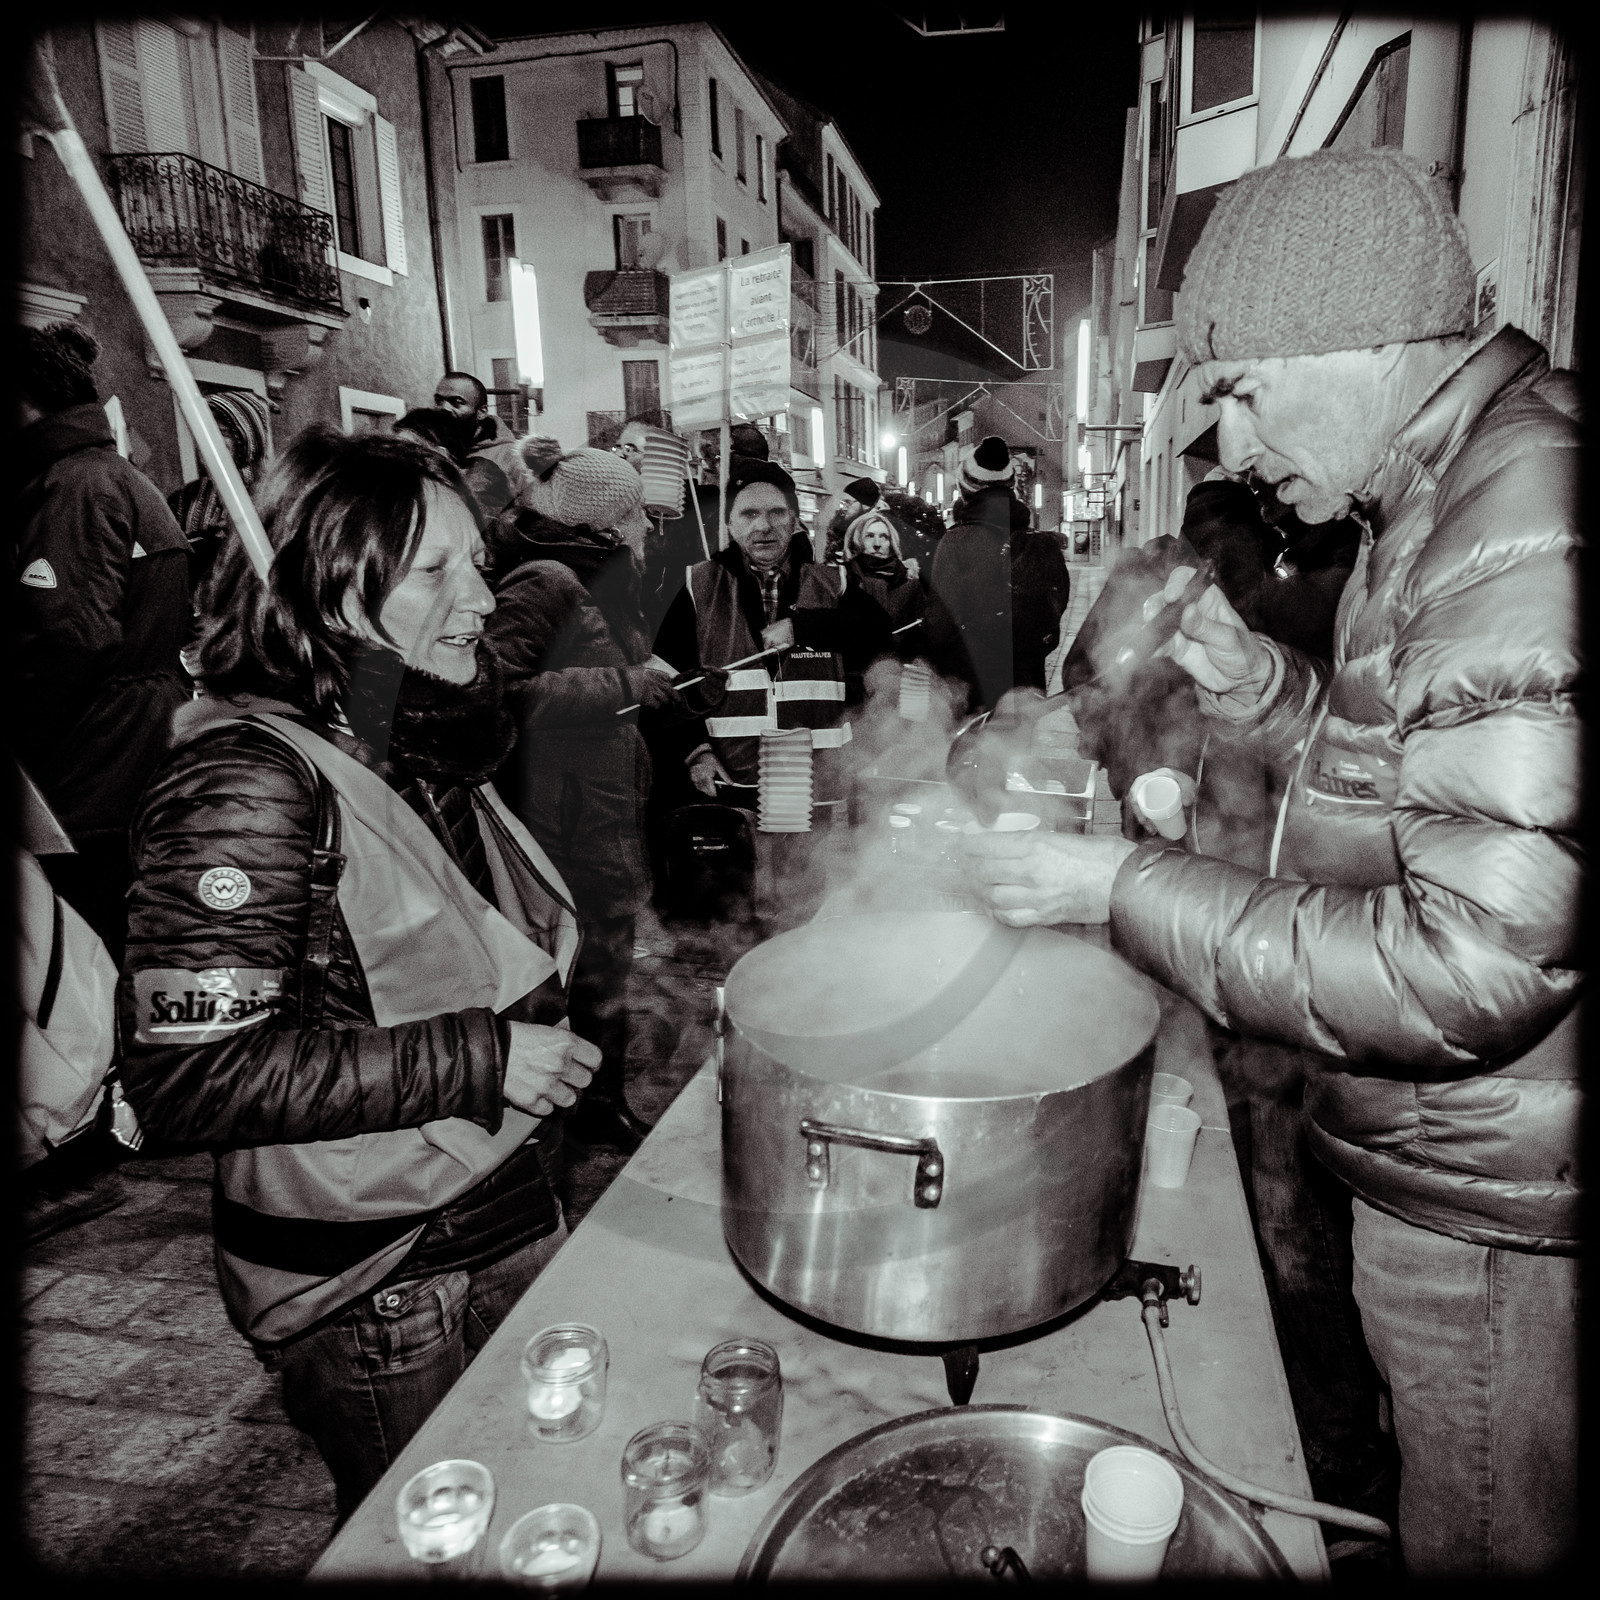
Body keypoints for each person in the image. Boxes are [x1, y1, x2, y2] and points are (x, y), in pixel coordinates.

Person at [961, 147, 1581, 1577]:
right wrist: (1271, 700)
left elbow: (1477, 964)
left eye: (1238, 389)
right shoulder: (1443, 491)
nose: (1227, 450)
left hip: (1493, 1206)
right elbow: (1430, 792)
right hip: (1452, 1163)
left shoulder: (1519, 501)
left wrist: (1116, 885)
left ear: (1354, 333)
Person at [116, 428, 600, 1520]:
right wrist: (481, 1056)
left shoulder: (414, 730)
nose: (480, 597)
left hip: (505, 1208)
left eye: (476, 560)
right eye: (435, 570)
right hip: (380, 1277)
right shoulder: (245, 785)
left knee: (548, 1502)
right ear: (330, 586)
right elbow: (187, 1079)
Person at [1066, 475, 1385, 1526]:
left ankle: (1330, 1458)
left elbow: (1344, 773)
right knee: (1273, 1195)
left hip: (1293, 945)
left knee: (1292, 1211)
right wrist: (1136, 777)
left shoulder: (1320, 604)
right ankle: (1323, 1433)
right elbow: (1090, 686)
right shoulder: (1169, 584)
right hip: (1234, 932)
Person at [486, 519, 695, 1155]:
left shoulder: (596, 585)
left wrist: (679, 694)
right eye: (638, 512)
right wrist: (628, 685)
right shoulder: (545, 581)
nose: (650, 527)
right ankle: (558, 1122)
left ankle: (599, 1106)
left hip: (603, 818)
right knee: (578, 978)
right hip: (559, 829)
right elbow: (499, 690)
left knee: (609, 973)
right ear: (608, 516)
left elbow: (611, 695)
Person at [13, 322, 192, 965]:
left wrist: (23, 738)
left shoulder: (77, 484)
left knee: (95, 955)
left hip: (97, 764)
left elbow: (70, 637)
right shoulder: (98, 474)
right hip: (126, 748)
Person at [653, 460, 849, 808]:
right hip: (732, 790)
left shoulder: (835, 584)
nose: (764, 526)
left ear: (794, 519)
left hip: (821, 791)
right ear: (729, 523)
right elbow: (667, 685)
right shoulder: (696, 586)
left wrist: (805, 627)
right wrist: (696, 752)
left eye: (777, 512)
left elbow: (878, 643)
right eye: (748, 514)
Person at [923, 435, 1070, 715]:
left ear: (966, 488)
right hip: (1025, 691)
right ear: (1011, 486)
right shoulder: (1041, 544)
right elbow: (1051, 622)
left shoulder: (956, 542)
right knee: (1013, 758)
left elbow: (938, 627)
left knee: (966, 756)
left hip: (967, 690)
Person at [642, 422, 771, 636]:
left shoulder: (719, 513)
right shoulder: (776, 509)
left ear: (726, 460)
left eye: (709, 460)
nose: (706, 469)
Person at [167, 388, 273, 593]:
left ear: (248, 438)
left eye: (223, 433)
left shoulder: (273, 496)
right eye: (205, 430)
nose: (208, 441)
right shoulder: (185, 499)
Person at [833, 509, 927, 705]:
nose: (877, 543)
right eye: (869, 536)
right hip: (850, 687)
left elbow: (920, 645)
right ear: (856, 540)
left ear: (892, 543)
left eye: (883, 537)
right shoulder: (841, 581)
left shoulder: (910, 585)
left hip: (897, 686)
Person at [432, 369, 521, 517]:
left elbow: (531, 520)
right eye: (439, 401)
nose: (444, 409)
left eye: (457, 403)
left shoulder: (512, 456)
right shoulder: (434, 450)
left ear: (481, 412)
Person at [823, 475, 882, 563]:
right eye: (843, 503)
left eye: (848, 503)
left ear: (865, 505)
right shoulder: (839, 529)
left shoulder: (874, 529)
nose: (844, 508)